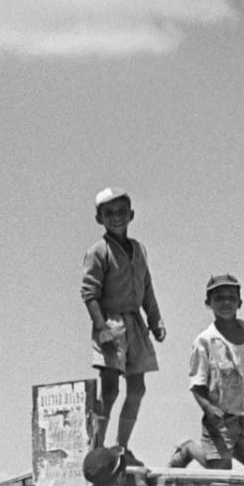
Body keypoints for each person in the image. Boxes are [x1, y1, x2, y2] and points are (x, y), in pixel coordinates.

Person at [169, 274, 244, 470]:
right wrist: (208, 408)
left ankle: (231, 449)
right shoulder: (205, 341)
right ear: (208, 303)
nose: (226, 303)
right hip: (221, 417)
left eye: (231, 298)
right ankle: (190, 448)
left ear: (240, 303)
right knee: (220, 470)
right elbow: (196, 384)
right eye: (219, 298)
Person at [81, 188, 166, 454]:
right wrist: (102, 328)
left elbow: (146, 286)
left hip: (135, 323)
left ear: (131, 215)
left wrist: (155, 319)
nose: (116, 217)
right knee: (110, 391)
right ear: (99, 218)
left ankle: (122, 446)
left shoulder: (138, 249)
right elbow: (89, 293)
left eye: (121, 212)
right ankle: (97, 448)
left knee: (137, 388)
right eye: (109, 213)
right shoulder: (98, 251)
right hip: (111, 323)